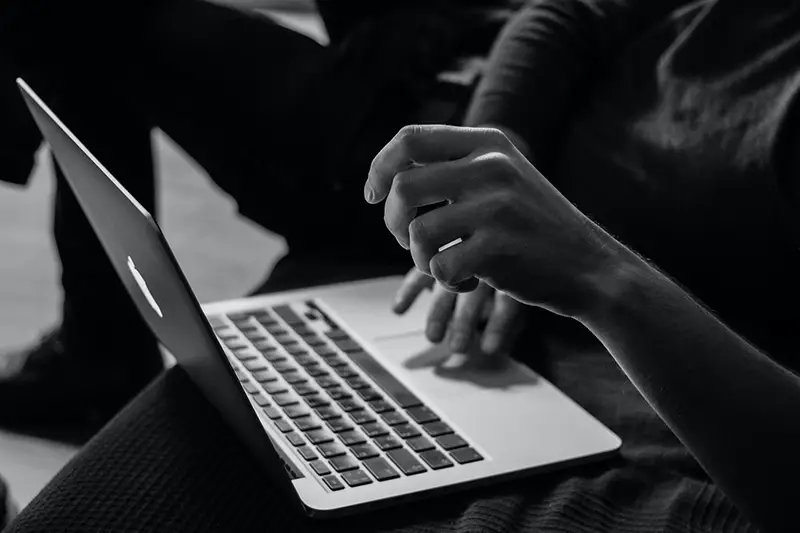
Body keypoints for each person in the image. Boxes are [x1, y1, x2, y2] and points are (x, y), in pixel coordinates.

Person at [2, 0, 799, 531]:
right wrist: (496, 156)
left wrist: (599, 272)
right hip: (435, 110)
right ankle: (97, 353)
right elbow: (562, 13)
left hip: (499, 255)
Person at [0, 0, 518, 441]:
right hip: (411, 62)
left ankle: (99, 356)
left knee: (75, 15)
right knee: (80, 23)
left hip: (424, 112)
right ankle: (98, 354)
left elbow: (559, 20)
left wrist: (492, 181)